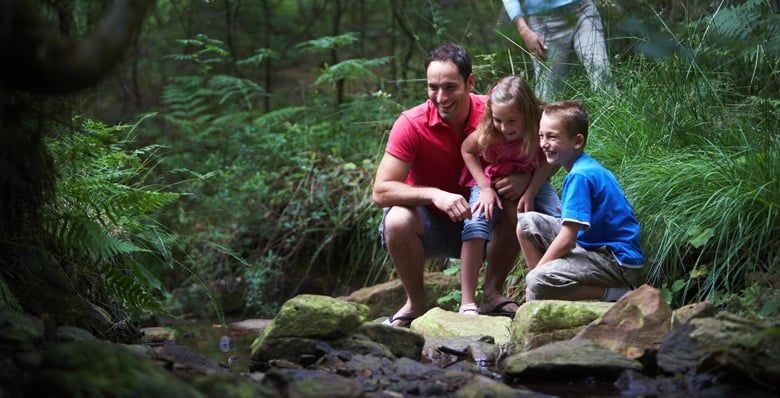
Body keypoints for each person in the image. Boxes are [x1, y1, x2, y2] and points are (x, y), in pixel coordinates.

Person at [372, 42, 559, 327]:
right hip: (431, 226)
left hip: (486, 217)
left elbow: (548, 139)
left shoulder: (497, 110)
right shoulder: (411, 124)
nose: (440, 96)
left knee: (513, 201)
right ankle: (415, 304)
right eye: (432, 87)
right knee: (396, 219)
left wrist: (526, 179)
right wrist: (434, 195)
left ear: (469, 83)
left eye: (449, 87)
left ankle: (493, 294)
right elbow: (381, 190)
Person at [516, 101, 643, 302]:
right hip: (595, 247)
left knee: (537, 279)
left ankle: (617, 293)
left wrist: (538, 272)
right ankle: (539, 293)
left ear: (577, 141)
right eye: (541, 135)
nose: (543, 143)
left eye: (552, 136)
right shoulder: (583, 167)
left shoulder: (580, 176)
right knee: (526, 223)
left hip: (616, 262)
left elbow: (567, 240)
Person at [458, 75, 559, 315]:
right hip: (490, 181)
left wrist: (531, 189)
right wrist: (484, 188)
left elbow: (551, 158)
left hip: (533, 178)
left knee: (559, 219)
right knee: (475, 223)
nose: (505, 128)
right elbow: (467, 150)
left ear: (527, 112)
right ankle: (467, 301)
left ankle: (556, 285)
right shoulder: (489, 132)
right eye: (498, 120)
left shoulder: (540, 126)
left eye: (512, 121)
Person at [502, 0, 612, 101]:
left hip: (582, 9)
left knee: (600, 68)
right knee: (549, 91)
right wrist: (523, 29)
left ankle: (612, 115)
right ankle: (543, 121)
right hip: (544, 21)